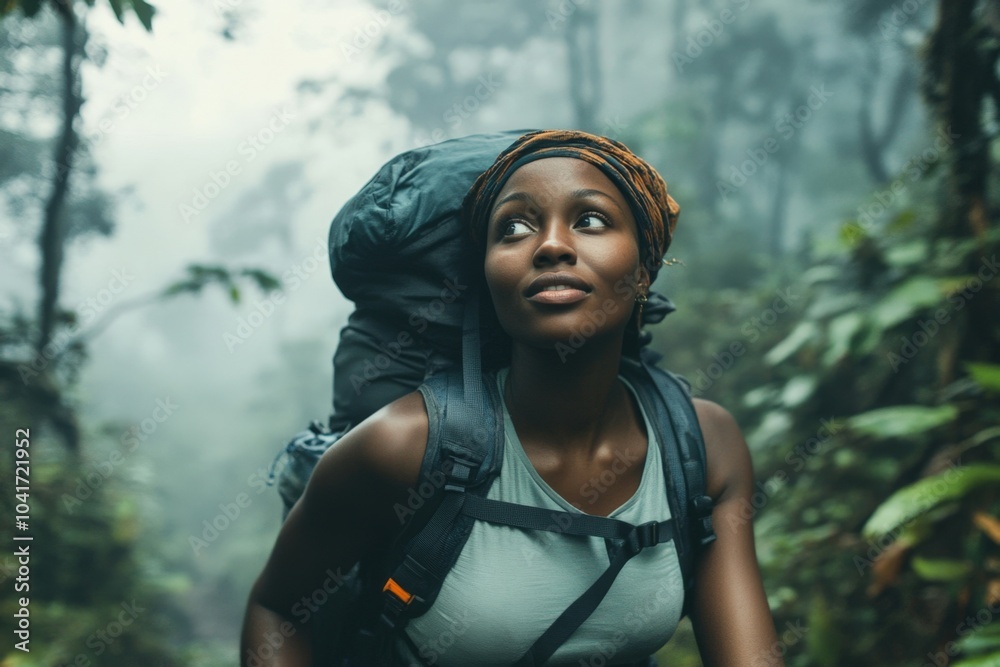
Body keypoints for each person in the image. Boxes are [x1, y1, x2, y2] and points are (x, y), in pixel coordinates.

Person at [241, 130, 781, 666]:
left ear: (643, 269)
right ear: (488, 277)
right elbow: (278, 608)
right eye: (515, 228)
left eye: (590, 220)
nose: (549, 245)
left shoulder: (701, 448)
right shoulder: (404, 446)